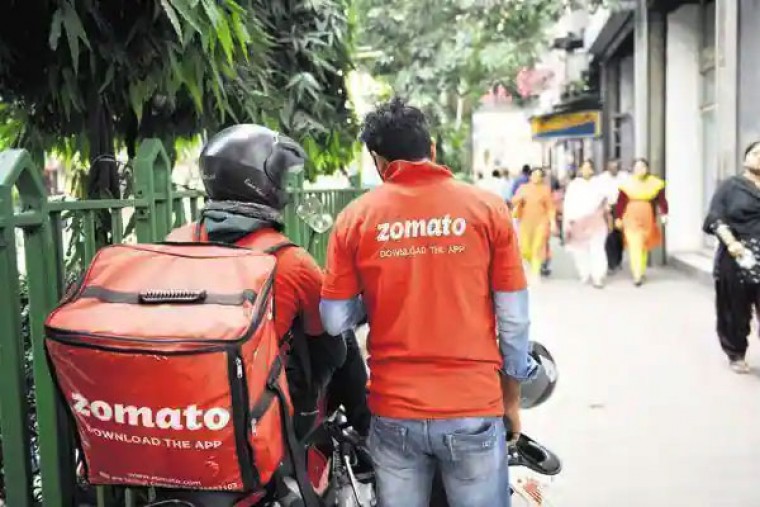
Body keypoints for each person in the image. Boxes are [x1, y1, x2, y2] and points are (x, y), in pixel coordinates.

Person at [319, 97, 538, 507]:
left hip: (394, 412)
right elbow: (513, 319)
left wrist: (375, 298)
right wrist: (511, 400)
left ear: (379, 162)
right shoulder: (487, 209)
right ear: (432, 149)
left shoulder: (355, 218)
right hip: (472, 407)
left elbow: (334, 320)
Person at [167, 124, 371, 438]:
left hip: (184, 398)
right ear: (262, 183)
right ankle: (365, 428)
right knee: (340, 336)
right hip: (260, 410)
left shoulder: (177, 240)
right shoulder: (290, 261)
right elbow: (330, 350)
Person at [703, 140, 760, 374]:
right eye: (755, 153)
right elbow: (715, 218)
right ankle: (736, 353)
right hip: (738, 256)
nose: (759, 157)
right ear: (745, 159)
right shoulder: (730, 187)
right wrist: (731, 243)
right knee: (735, 310)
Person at [614, 158, 668, 286]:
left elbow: (661, 200)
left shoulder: (655, 183)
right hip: (630, 217)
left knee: (643, 244)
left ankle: (641, 269)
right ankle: (636, 274)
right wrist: (618, 217)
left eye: (643, 167)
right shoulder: (627, 184)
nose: (640, 170)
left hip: (647, 217)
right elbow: (620, 202)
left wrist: (664, 213)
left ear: (647, 168)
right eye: (637, 167)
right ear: (633, 169)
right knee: (635, 243)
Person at [563, 159, 609, 288]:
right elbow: (568, 203)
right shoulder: (574, 185)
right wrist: (568, 221)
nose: (586, 170)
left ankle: (598, 276)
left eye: (589, 168)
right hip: (577, 221)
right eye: (584, 168)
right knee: (580, 250)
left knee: (597, 248)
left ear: (593, 170)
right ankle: (584, 273)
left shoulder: (600, 184)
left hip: (596, 220)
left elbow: (608, 198)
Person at [512, 168, 556, 281]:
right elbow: (513, 200)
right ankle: (531, 265)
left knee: (538, 247)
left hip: (541, 222)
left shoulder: (545, 190)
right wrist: (520, 198)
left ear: (542, 178)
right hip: (525, 222)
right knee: (525, 249)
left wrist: (553, 222)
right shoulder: (523, 188)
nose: (536, 177)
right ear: (530, 176)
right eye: (534, 174)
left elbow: (550, 207)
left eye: (539, 175)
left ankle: (535, 273)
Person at [597, 160, 628, 272]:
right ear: (607, 167)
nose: (614, 169)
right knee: (609, 235)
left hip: (621, 208)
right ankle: (611, 262)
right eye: (611, 167)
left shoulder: (624, 177)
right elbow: (599, 194)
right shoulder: (602, 178)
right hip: (608, 208)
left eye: (616, 167)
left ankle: (618, 260)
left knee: (619, 235)